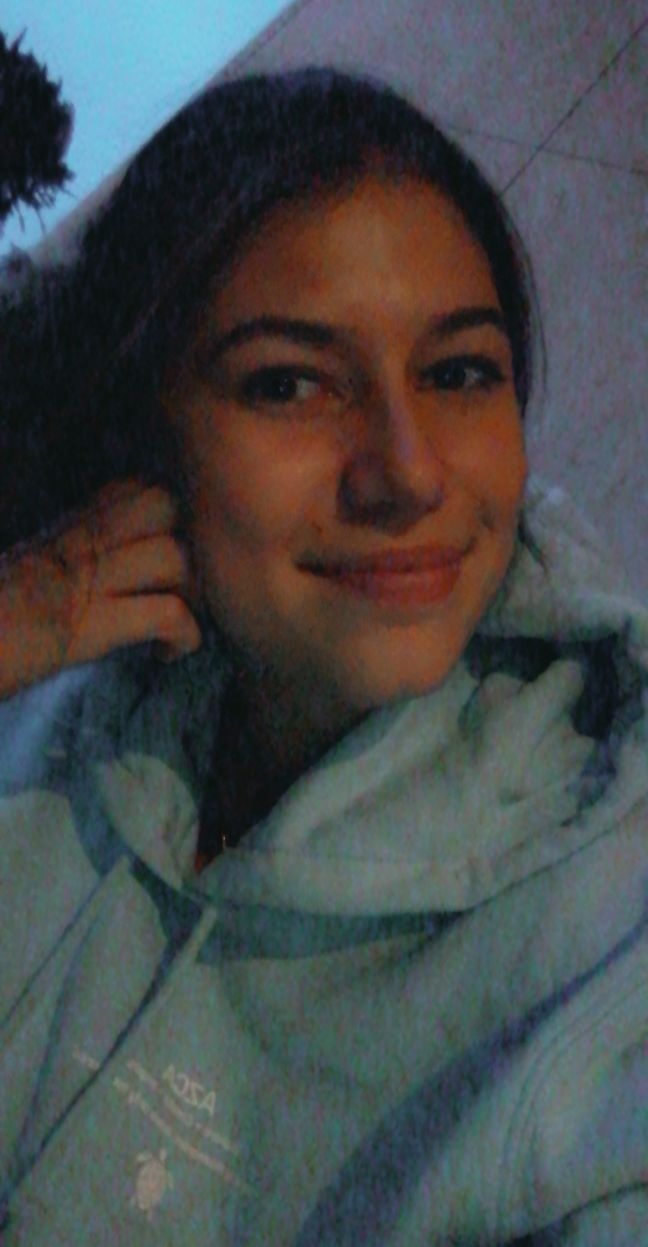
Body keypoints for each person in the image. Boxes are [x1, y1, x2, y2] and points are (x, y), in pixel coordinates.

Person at [0, 66, 646, 1246]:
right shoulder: (51, 671)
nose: (408, 472)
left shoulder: (604, 939)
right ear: (144, 422)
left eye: (459, 372)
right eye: (290, 382)